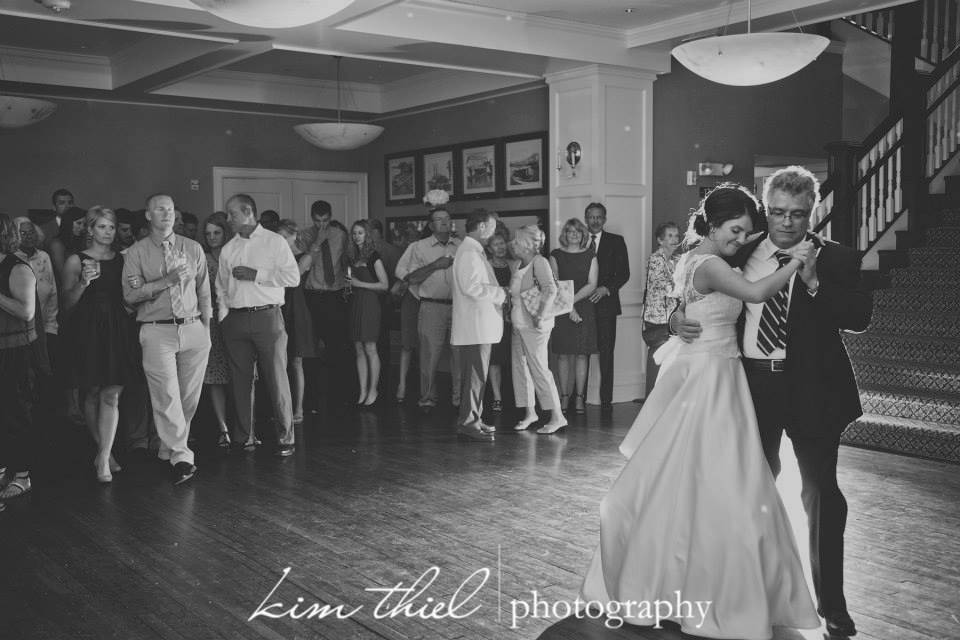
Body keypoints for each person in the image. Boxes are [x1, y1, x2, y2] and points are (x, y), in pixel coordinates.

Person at [582, 184, 819, 638]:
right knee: (713, 479)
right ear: (712, 224)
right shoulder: (708, 263)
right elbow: (753, 294)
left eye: (748, 233)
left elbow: (688, 306)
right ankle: (705, 588)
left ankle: (683, 580)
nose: (741, 239)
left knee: (699, 480)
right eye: (735, 230)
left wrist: (676, 319)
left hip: (720, 374)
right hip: (711, 379)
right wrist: (796, 262)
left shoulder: (699, 257)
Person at [673, 167, 872, 637]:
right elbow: (686, 286)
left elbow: (859, 317)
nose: (786, 223)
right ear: (766, 208)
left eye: (797, 215)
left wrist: (815, 282)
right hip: (750, 388)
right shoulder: (738, 250)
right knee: (748, 493)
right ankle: (751, 594)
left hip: (814, 392)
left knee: (821, 494)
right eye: (778, 212)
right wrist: (673, 320)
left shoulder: (838, 258)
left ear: (813, 211)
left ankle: (833, 607)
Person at [123, 194, 212, 485]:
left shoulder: (193, 247)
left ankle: (169, 448)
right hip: (156, 329)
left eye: (171, 209)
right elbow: (130, 296)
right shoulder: (136, 253)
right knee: (167, 395)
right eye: (160, 209)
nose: (167, 213)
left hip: (193, 328)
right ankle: (182, 456)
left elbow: (203, 290)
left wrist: (205, 329)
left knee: (188, 397)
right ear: (148, 215)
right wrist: (166, 281)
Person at [61, 207, 141, 483]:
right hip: (87, 330)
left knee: (113, 393)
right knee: (93, 392)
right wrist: (83, 282)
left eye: (111, 227)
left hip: (118, 329)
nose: (108, 232)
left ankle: (104, 458)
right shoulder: (75, 260)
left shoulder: (122, 259)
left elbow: (130, 299)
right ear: (90, 230)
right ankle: (105, 453)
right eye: (102, 227)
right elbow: (66, 306)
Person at [217, 194, 300, 457]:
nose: (228, 219)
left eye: (232, 214)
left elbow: (293, 277)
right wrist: (223, 315)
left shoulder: (274, 242)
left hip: (268, 317)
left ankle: (286, 437)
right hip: (235, 320)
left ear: (248, 211)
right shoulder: (229, 249)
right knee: (239, 382)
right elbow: (220, 286)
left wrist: (257, 275)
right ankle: (244, 438)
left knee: (276, 378)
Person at [395, 208, 461, 413]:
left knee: (459, 355)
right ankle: (427, 399)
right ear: (431, 226)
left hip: (459, 307)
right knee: (429, 356)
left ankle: (458, 399)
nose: (444, 222)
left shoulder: (462, 246)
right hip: (431, 306)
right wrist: (436, 265)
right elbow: (411, 278)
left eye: (447, 219)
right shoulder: (419, 247)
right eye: (439, 220)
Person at [451, 209, 504, 441]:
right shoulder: (470, 253)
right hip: (476, 326)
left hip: (479, 325)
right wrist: (501, 293)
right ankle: (468, 422)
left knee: (478, 376)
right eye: (492, 226)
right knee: (475, 376)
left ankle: (474, 418)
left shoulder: (472, 250)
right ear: (481, 226)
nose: (494, 230)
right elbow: (471, 287)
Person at [508, 225, 567, 434]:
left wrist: (540, 315)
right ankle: (530, 413)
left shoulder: (539, 262)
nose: (513, 244)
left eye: (516, 241)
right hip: (519, 325)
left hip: (535, 326)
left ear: (526, 245)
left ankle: (557, 416)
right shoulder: (517, 264)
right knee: (521, 369)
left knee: (540, 370)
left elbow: (550, 289)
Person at [0, 213, 41, 506]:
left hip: (14, 351)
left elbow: (26, 311)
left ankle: (22, 475)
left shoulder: (17, 268)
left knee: (15, 412)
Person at [299, 200, 350, 404]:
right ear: (313, 218)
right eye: (318, 220)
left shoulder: (340, 235)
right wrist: (317, 242)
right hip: (312, 295)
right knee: (311, 346)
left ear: (330, 217)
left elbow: (347, 262)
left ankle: (337, 395)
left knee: (336, 346)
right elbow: (299, 266)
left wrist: (348, 286)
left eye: (325, 220)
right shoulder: (304, 236)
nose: (322, 224)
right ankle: (313, 396)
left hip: (335, 295)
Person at [549, 218, 598, 415]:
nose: (574, 234)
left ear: (583, 234)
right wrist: (569, 308)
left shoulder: (590, 255)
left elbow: (592, 284)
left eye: (578, 231)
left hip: (584, 307)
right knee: (562, 355)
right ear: (565, 235)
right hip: (562, 309)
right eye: (570, 231)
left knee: (581, 354)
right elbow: (554, 283)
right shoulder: (556, 255)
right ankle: (564, 397)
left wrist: (572, 303)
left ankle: (579, 398)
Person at [584, 202, 630, 410]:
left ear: (605, 219)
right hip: (582, 306)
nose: (595, 221)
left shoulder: (616, 241)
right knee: (579, 354)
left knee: (606, 354)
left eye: (599, 217)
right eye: (591, 217)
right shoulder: (578, 240)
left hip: (606, 306)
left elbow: (624, 273)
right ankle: (578, 400)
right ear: (586, 218)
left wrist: (606, 289)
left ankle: (605, 401)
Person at [277, 219, 318, 423]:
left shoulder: (305, 257)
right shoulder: (275, 257)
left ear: (294, 235)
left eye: (284, 236)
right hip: (279, 307)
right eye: (279, 237)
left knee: (296, 360)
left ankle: (299, 408)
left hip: (298, 308)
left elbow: (293, 276)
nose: (281, 240)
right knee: (279, 361)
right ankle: (281, 408)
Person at [345, 220, 389, 406]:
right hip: (355, 303)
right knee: (359, 349)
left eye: (360, 233)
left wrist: (359, 284)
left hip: (370, 303)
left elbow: (384, 285)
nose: (357, 236)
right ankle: (362, 390)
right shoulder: (351, 256)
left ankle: (373, 389)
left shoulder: (374, 256)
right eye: (354, 233)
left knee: (370, 347)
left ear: (367, 235)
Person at [202, 212, 233, 447]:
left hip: (237, 315)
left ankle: (245, 426)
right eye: (208, 233)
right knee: (215, 375)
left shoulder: (234, 254)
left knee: (241, 374)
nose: (212, 237)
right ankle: (223, 427)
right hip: (212, 318)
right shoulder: (202, 258)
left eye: (217, 232)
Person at [642, 221, 681, 393]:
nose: (674, 239)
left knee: (669, 360)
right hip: (657, 319)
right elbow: (668, 288)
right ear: (660, 240)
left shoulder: (675, 260)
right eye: (670, 236)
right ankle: (651, 399)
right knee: (657, 358)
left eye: (676, 236)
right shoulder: (656, 260)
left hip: (670, 318)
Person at [486, 232, 514, 412]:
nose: (500, 247)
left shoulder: (514, 264)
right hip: (494, 317)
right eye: (496, 244)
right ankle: (497, 397)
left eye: (502, 243)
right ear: (489, 248)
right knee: (495, 358)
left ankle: (513, 396)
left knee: (514, 357)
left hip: (513, 317)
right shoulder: (486, 266)